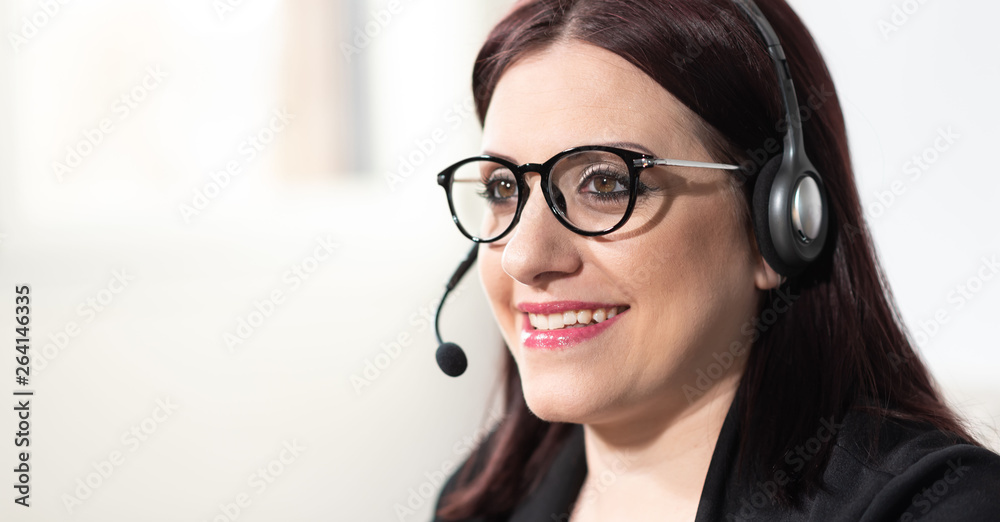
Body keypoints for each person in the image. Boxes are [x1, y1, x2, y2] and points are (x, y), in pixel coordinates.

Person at [430, 0, 1000, 520]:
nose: (525, 257)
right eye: (502, 189)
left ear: (778, 225)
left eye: (606, 183)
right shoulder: (480, 499)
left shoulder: (939, 506)